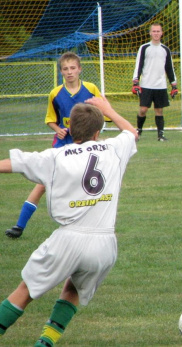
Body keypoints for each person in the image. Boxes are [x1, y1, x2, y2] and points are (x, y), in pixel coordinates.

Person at [0, 96, 138, 346]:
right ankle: (45, 343)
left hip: (69, 239)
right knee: (74, 289)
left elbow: (12, 164)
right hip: (105, 244)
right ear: (98, 132)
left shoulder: (55, 157)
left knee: (25, 291)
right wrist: (108, 109)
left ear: (70, 128)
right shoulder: (114, 149)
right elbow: (131, 132)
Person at [5, 52, 103, 239]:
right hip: (63, 143)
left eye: (73, 68)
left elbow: (102, 113)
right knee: (43, 183)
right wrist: (58, 128)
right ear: (61, 72)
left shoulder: (91, 89)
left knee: (85, 183)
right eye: (65, 69)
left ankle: (89, 224)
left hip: (86, 143)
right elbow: (50, 119)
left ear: (80, 69)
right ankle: (19, 225)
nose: (69, 72)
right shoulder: (55, 94)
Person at [132, 22, 178, 141]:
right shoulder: (144, 48)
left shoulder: (165, 49)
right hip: (146, 84)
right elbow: (139, 65)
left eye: (158, 31)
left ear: (162, 33)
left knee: (159, 110)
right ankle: (139, 131)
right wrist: (135, 82)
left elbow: (169, 67)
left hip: (160, 85)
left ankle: (160, 135)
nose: (156, 33)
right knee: (143, 110)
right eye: (154, 31)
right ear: (150, 33)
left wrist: (174, 84)